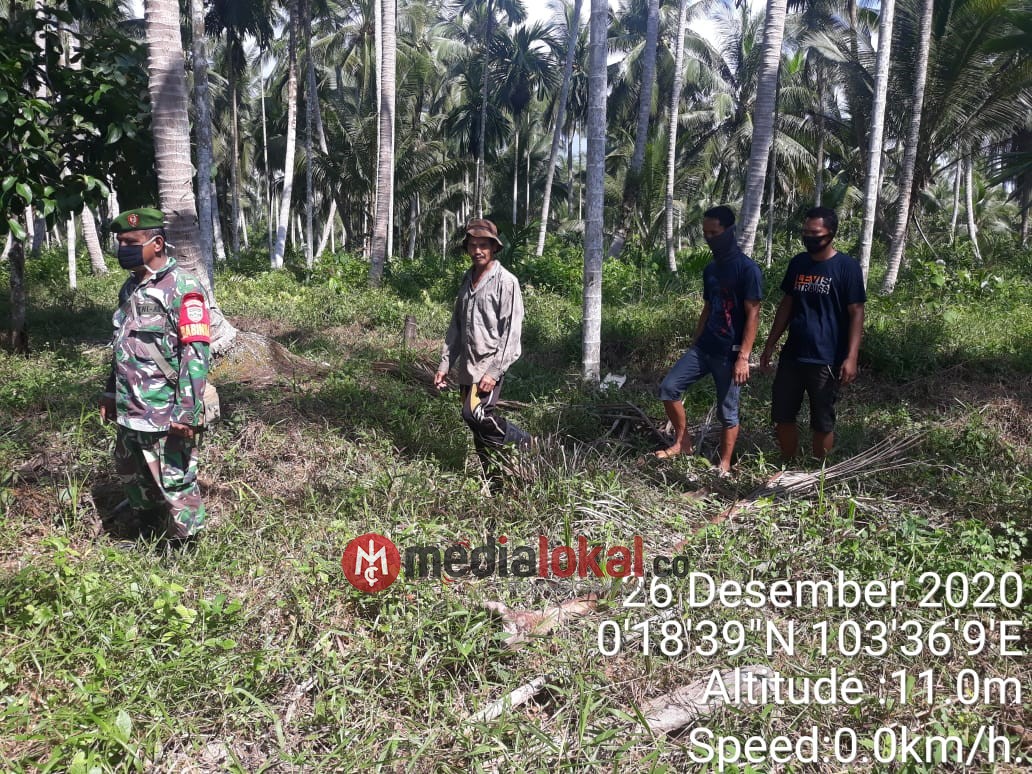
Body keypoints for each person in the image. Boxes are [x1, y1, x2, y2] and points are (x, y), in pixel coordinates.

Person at [99, 208, 211, 546]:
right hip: (131, 406)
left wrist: (187, 412)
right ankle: (146, 531)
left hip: (166, 410)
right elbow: (123, 345)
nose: (123, 249)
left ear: (157, 243)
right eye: (120, 242)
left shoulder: (184, 288)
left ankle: (185, 545)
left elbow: (196, 354)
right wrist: (109, 395)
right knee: (133, 475)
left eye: (131, 242)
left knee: (175, 479)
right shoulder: (130, 288)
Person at [655, 206, 763, 475]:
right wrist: (696, 339)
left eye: (714, 232)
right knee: (669, 388)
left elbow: (753, 315)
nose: (709, 237)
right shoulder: (711, 269)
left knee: (728, 411)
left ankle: (724, 464)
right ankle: (683, 443)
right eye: (705, 233)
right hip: (704, 348)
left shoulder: (748, 270)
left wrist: (744, 358)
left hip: (731, 354)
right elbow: (708, 307)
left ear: (729, 231)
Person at [760, 206, 866, 460]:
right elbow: (787, 304)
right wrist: (770, 344)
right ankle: (788, 462)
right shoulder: (798, 263)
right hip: (793, 355)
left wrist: (851, 357)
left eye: (815, 233)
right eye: (805, 232)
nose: (809, 237)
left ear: (831, 233)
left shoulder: (847, 267)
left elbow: (856, 313)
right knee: (782, 414)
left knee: (822, 420)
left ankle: (819, 472)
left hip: (826, 359)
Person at [434, 219, 530, 485]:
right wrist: (444, 365)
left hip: (489, 365)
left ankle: (520, 439)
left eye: (483, 246)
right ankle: (495, 480)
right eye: (473, 245)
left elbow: (511, 332)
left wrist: (495, 371)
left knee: (474, 414)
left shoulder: (506, 282)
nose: (477, 250)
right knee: (476, 429)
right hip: (467, 366)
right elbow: (456, 325)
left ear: (494, 248)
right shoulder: (468, 280)